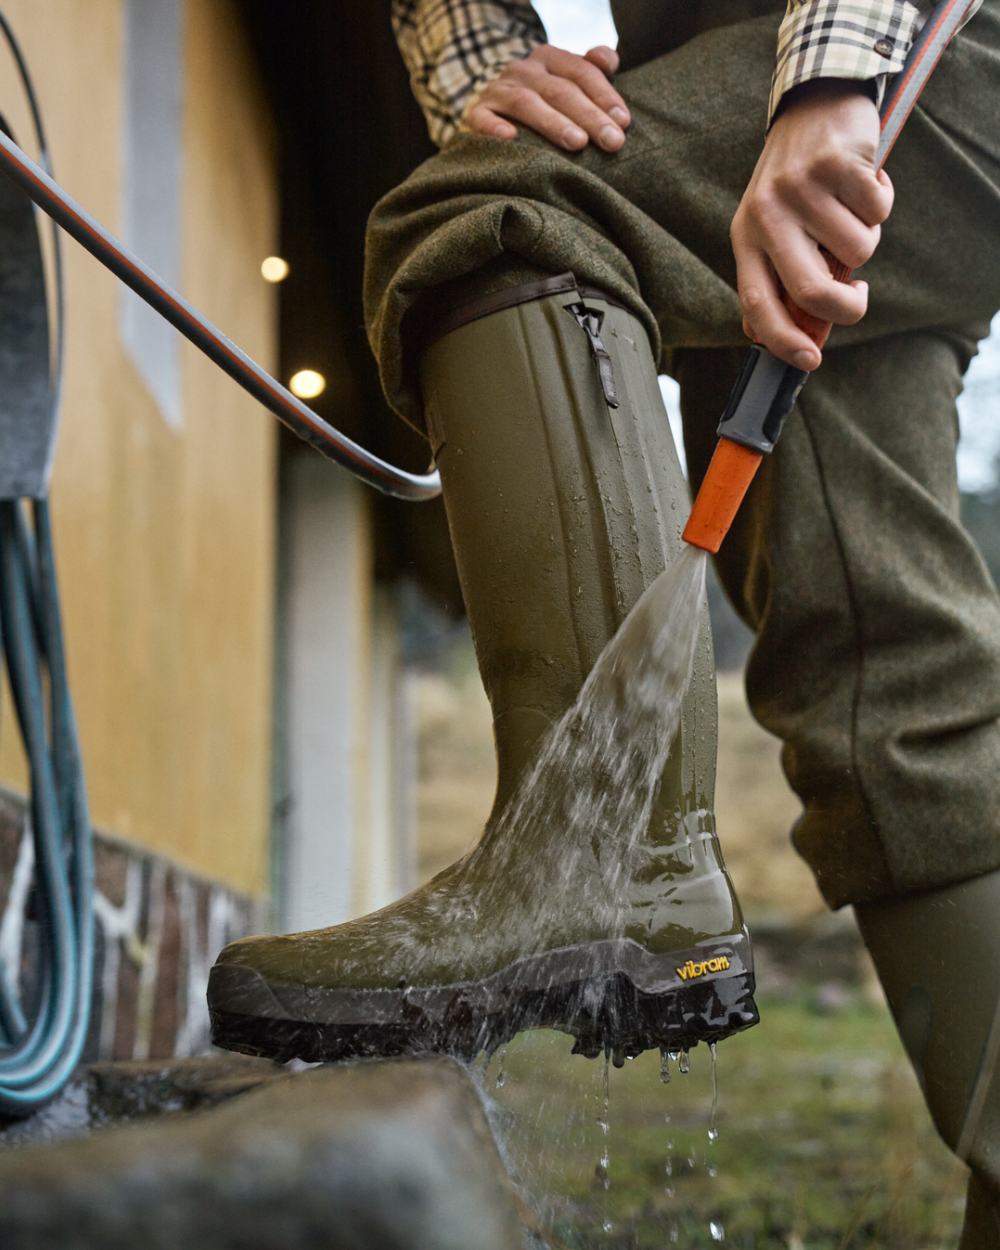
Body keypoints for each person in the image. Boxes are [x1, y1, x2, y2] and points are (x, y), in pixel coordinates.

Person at [208, 1, 1000, 1242]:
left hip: (924, 38)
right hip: (821, 79)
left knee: (498, 215)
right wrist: (486, 72)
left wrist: (832, 85)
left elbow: (517, 183)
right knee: (873, 647)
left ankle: (606, 864)